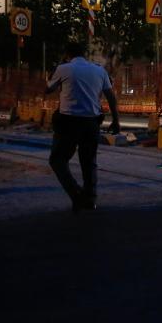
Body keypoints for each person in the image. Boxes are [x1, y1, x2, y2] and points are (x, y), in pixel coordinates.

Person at [45, 41, 120, 212]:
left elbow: (48, 89)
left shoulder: (64, 68)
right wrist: (116, 120)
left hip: (68, 122)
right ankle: (90, 199)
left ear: (67, 54)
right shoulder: (99, 70)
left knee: (57, 160)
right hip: (91, 123)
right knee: (88, 162)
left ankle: (76, 194)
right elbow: (110, 96)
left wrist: (54, 73)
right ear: (84, 54)